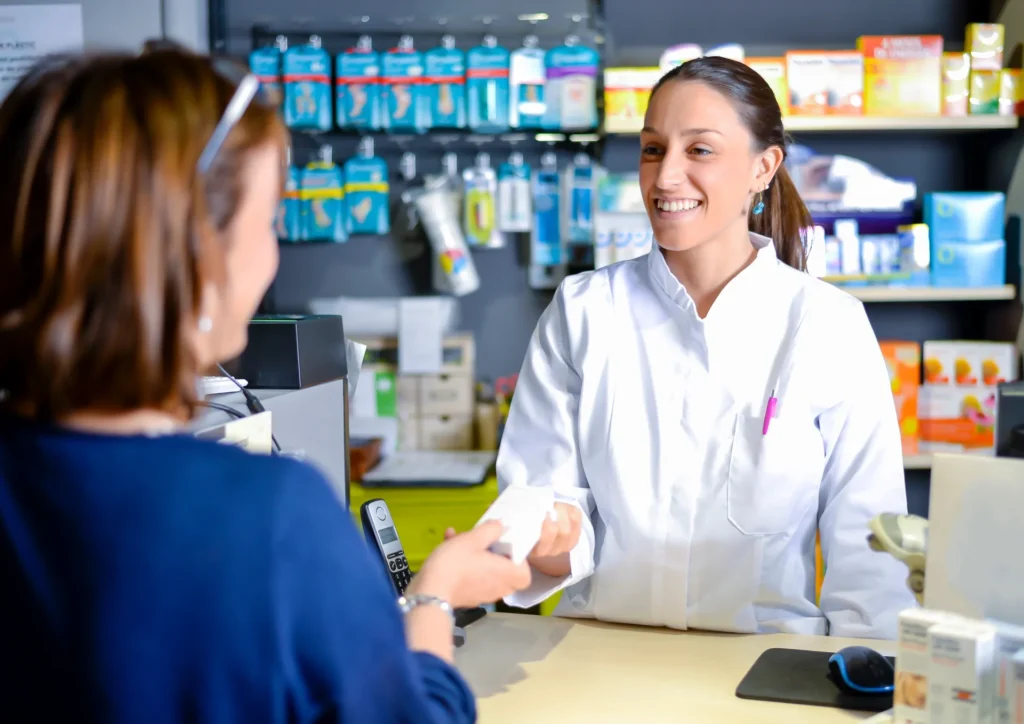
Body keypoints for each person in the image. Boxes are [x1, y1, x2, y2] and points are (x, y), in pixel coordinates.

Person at [0, 46, 530, 723]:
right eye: (268, 223)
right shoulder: (265, 515)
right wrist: (434, 597)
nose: (272, 254)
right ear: (194, 256)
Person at [497, 55, 917, 639]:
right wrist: (542, 539)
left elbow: (869, 555)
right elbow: (545, 513)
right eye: (652, 149)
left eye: (699, 150)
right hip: (600, 656)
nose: (666, 177)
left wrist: (865, 682)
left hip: (760, 666)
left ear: (763, 167)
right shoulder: (584, 312)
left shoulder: (828, 325)